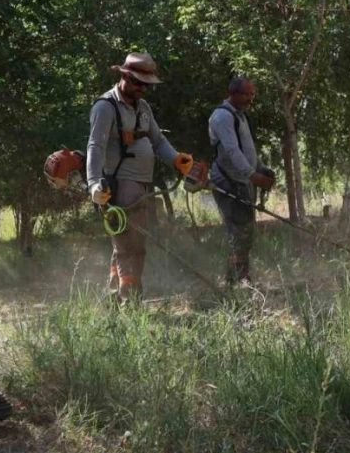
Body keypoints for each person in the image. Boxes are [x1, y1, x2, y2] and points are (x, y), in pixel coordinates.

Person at [86, 52, 195, 301]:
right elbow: (95, 146)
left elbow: (158, 140)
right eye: (137, 82)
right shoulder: (105, 107)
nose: (142, 88)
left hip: (142, 184)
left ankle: (115, 294)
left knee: (127, 243)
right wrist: (93, 184)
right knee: (130, 246)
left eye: (146, 85)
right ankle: (130, 300)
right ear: (124, 76)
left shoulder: (142, 107)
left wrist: (175, 158)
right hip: (120, 184)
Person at [209, 77, 275, 286]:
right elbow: (231, 151)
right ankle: (234, 281)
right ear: (234, 93)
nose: (250, 99)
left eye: (252, 94)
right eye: (247, 94)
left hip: (241, 180)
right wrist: (253, 176)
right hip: (229, 181)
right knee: (237, 231)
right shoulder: (222, 116)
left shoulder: (240, 117)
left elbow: (247, 150)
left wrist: (261, 168)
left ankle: (241, 277)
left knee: (245, 231)